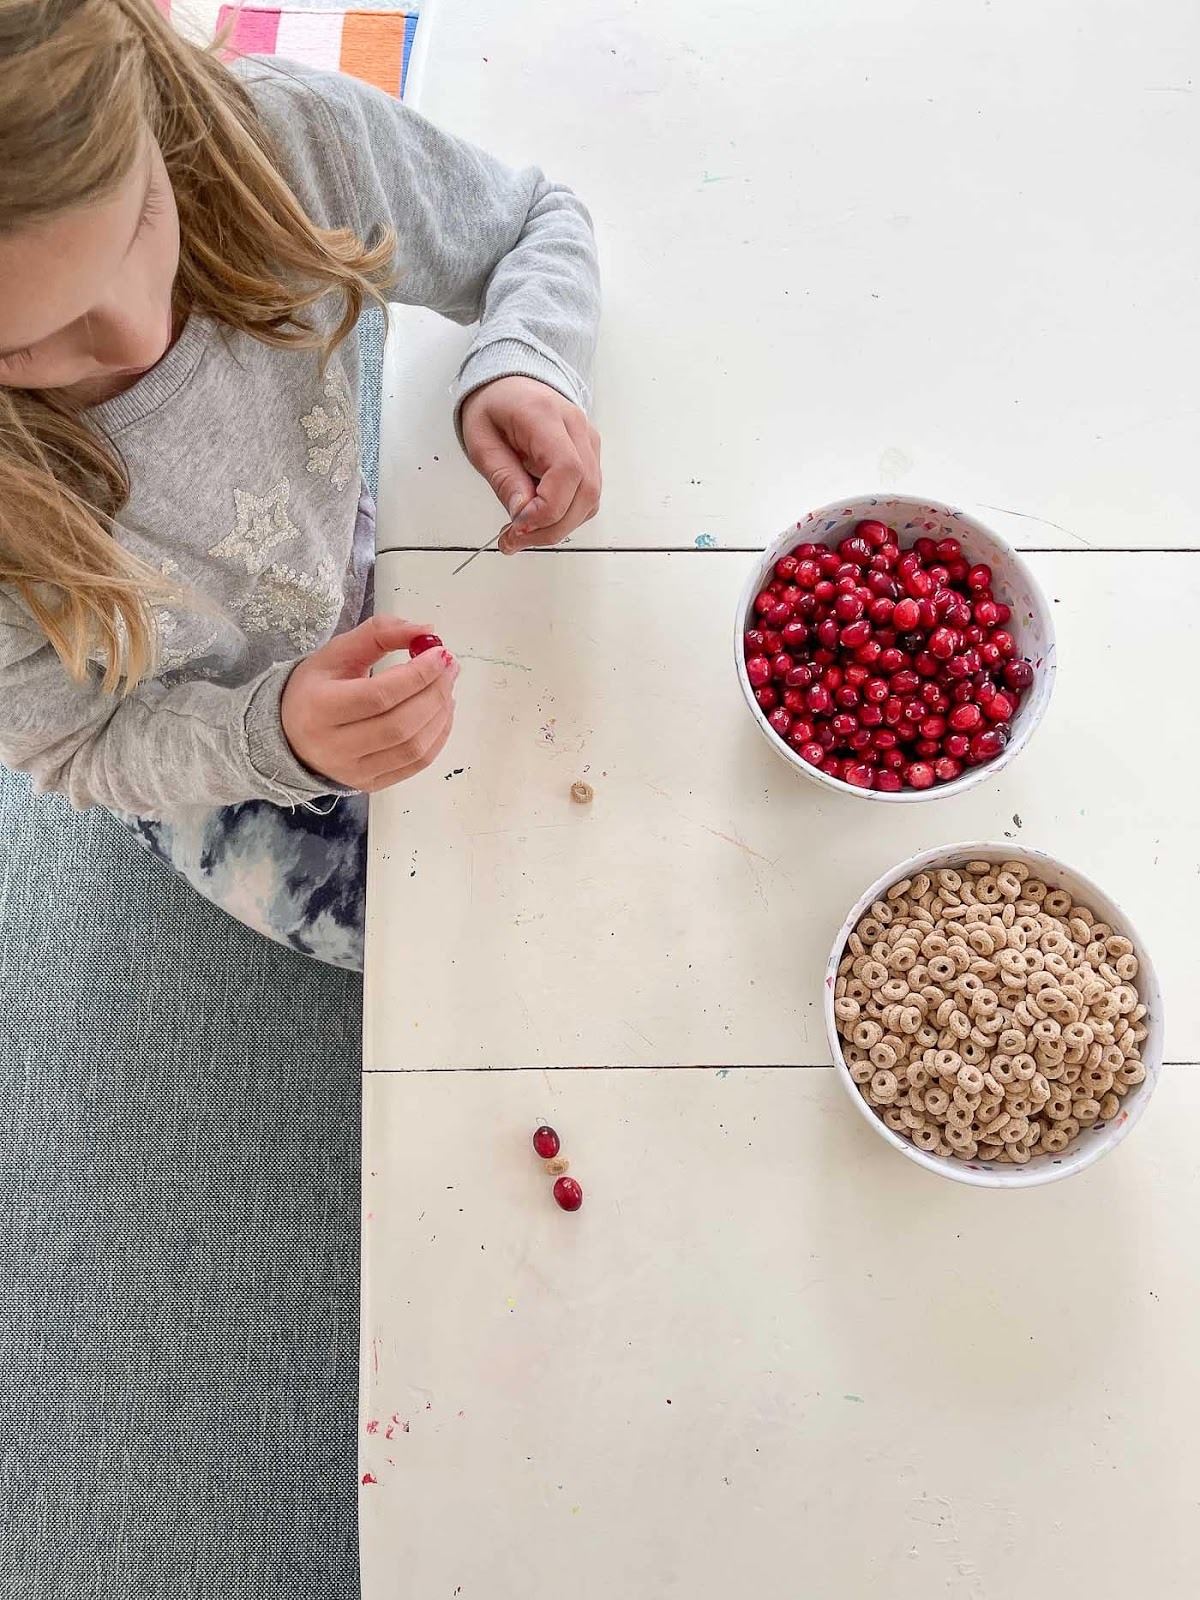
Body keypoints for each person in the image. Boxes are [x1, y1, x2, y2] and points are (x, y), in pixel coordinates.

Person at [0, 0, 601, 971]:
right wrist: (274, 738)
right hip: (193, 742)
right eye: (23, 345)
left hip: (326, 564)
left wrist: (521, 361)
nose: (141, 336)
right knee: (466, 941)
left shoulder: (288, 140)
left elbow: (536, 221)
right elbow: (76, 746)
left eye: (139, 218)